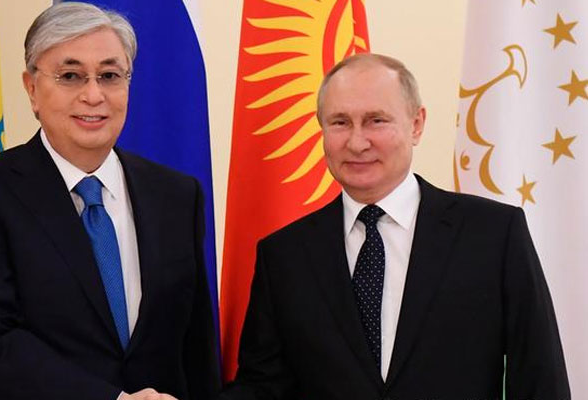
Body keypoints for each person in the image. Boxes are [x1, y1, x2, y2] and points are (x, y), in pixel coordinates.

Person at [220, 53, 570, 400]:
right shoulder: (284, 255)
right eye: (340, 122)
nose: (357, 142)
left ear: (416, 124)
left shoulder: (493, 234)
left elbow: (540, 378)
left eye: (376, 121)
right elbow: (263, 387)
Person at [0, 3, 219, 400]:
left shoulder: (176, 195)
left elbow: (196, 347)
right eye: (70, 76)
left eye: (109, 76)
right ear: (32, 89)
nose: (93, 95)